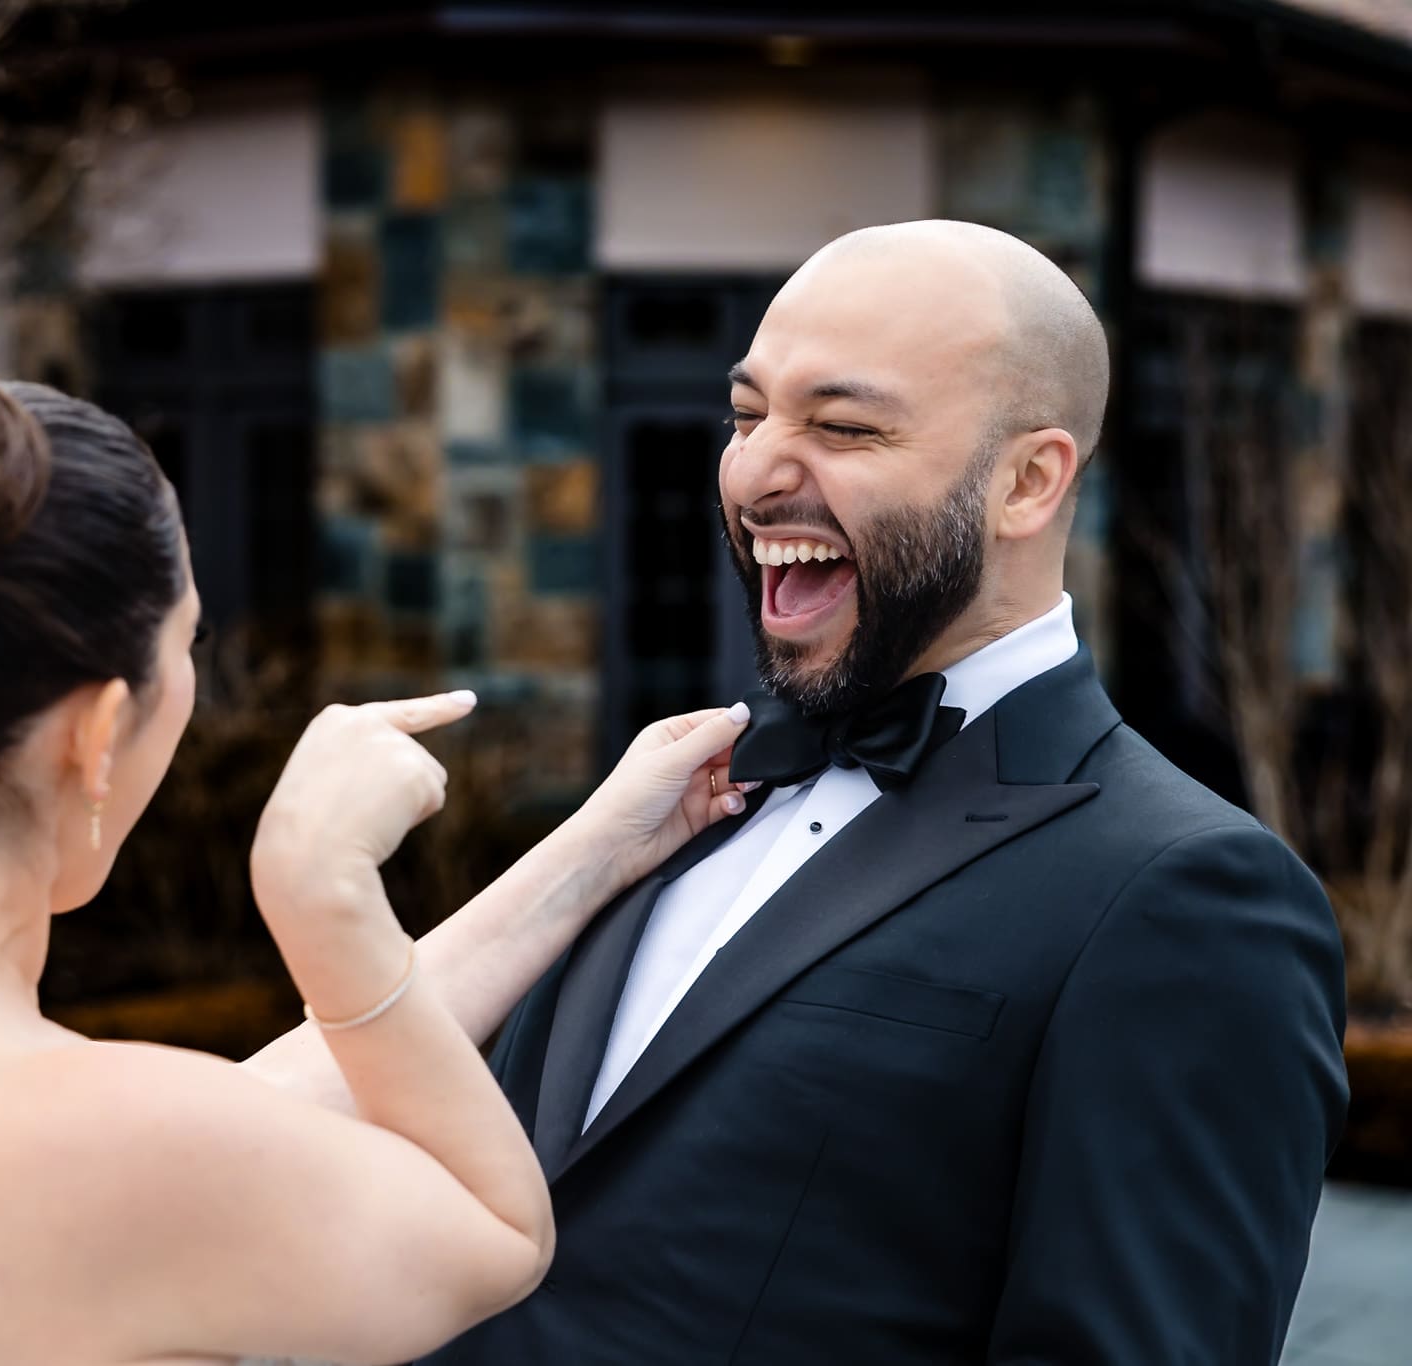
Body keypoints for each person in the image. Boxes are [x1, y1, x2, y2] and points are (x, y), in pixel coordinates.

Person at [0, 354, 752, 1365]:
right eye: (189, 647)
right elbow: (494, 1235)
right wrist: (325, 906)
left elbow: (221, 1128)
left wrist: (598, 848)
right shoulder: (111, 1147)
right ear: (94, 726)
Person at [419, 220, 1350, 1365]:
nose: (756, 472)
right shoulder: (665, 797)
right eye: (746, 413)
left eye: (841, 426)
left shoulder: (1187, 893)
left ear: (1025, 481)